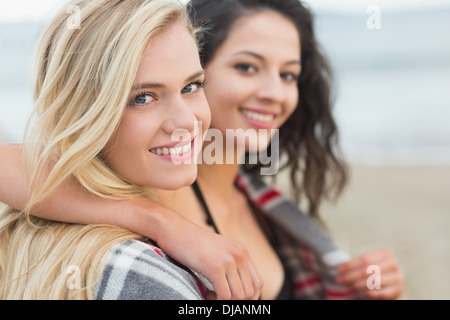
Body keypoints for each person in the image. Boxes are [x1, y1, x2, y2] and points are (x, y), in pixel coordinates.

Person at [0, 0, 404, 300]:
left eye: (289, 75)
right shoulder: (137, 234)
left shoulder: (267, 207)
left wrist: (357, 287)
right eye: (246, 66)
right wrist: (159, 220)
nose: (273, 93)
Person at [0, 0, 264, 300]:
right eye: (143, 98)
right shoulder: (145, 276)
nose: (186, 123)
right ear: (84, 114)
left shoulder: (28, 235)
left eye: (191, 87)